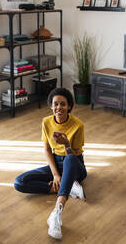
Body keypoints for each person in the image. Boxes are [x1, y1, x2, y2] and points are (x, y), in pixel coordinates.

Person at [14, 88, 87, 239]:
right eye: (56, 104)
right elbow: (47, 149)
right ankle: (65, 187)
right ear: (51, 106)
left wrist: (67, 143)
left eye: (63, 104)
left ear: (69, 107)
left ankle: (56, 213)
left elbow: (75, 156)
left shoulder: (78, 125)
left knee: (70, 159)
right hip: (56, 163)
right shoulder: (46, 122)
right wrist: (55, 175)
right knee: (19, 182)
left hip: (75, 165)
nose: (59, 107)